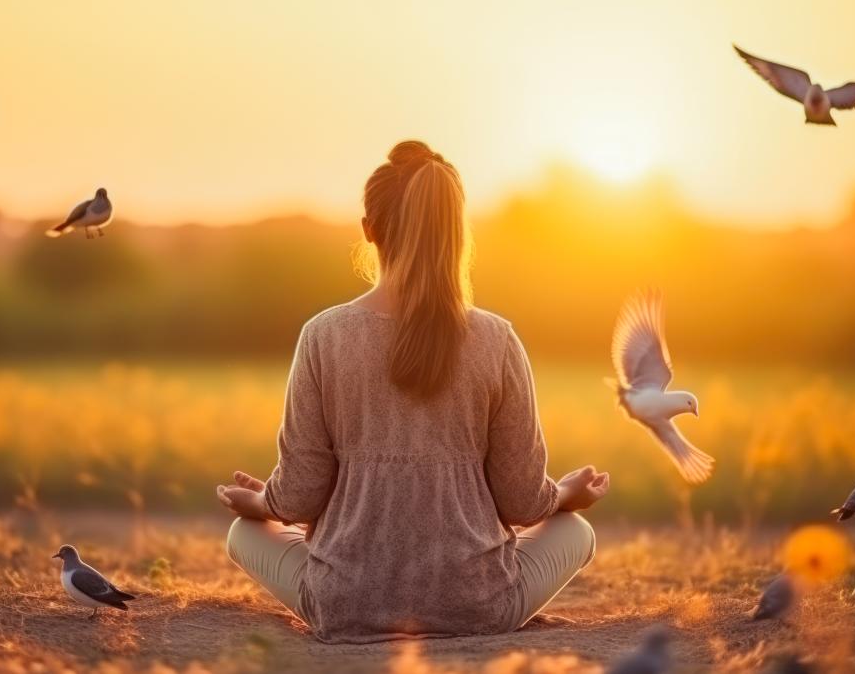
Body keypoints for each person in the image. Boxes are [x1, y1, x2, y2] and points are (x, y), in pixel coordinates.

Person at [216, 140, 609, 644]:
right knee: (577, 531)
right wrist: (564, 496)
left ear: (369, 231)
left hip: (345, 605)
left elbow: (301, 494)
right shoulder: (497, 339)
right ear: (457, 233)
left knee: (243, 533)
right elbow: (521, 504)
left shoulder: (322, 335)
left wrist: (263, 505)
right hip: (478, 605)